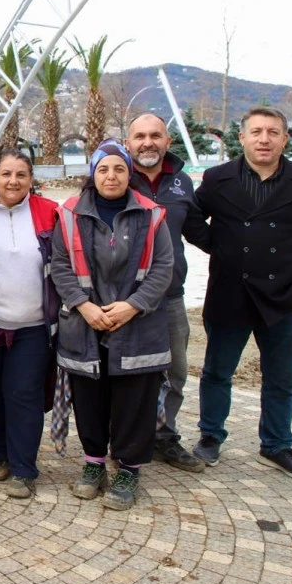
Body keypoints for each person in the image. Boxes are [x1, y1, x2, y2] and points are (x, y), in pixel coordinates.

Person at [191, 107, 292, 481]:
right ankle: (210, 436)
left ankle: (276, 445)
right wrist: (222, 249)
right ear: (241, 138)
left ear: (284, 139)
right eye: (256, 131)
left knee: (280, 378)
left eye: (272, 132)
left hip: (285, 295)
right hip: (230, 292)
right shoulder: (217, 178)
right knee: (216, 372)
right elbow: (192, 218)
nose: (264, 139)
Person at [51, 139, 173, 510]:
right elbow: (60, 266)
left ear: (130, 173)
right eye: (103, 168)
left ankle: (129, 469)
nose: (111, 175)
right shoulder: (70, 214)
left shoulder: (151, 215)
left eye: (119, 168)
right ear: (92, 174)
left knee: (134, 400)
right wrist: (85, 307)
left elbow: (162, 268)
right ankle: (93, 464)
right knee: (90, 398)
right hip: (86, 326)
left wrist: (132, 306)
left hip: (136, 326)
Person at [122, 113, 209, 473]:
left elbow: (197, 232)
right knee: (125, 374)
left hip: (170, 297)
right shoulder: (117, 177)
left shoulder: (182, 184)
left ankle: (164, 435)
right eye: (139, 136)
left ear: (167, 141)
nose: (147, 142)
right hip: (124, 300)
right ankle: (125, 439)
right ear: (128, 143)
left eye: (155, 135)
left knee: (175, 371)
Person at [0, 148, 59, 498]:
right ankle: (0, 456)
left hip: (33, 328)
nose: (13, 181)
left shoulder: (50, 212)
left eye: (21, 174)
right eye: (6, 174)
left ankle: (24, 468)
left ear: (31, 179)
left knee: (23, 395)